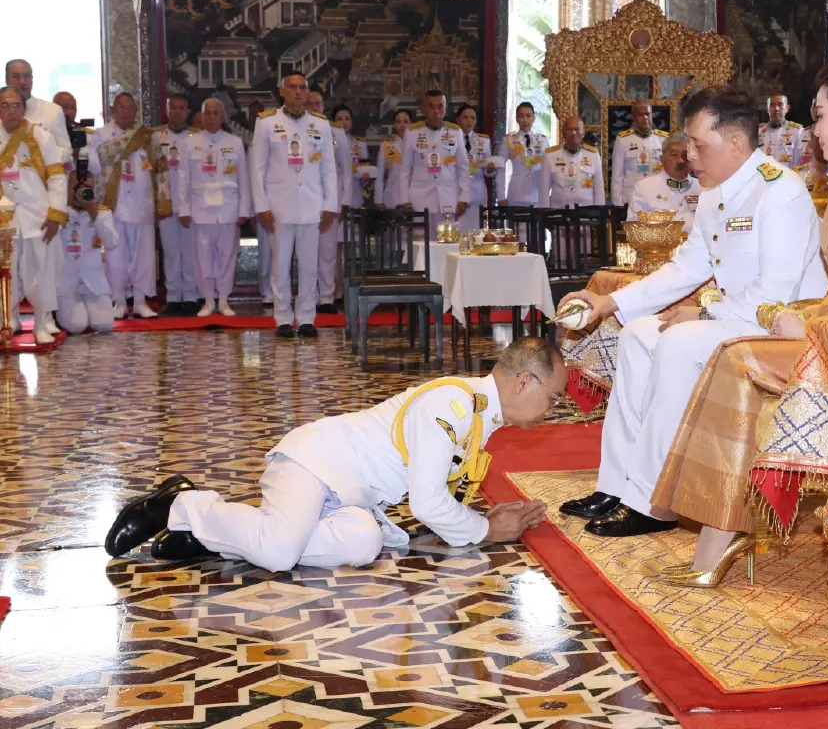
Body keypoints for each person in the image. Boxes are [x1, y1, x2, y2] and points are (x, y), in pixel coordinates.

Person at [650, 54, 828, 586]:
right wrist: (799, 313)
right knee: (732, 355)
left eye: (819, 114)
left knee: (737, 361)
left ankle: (722, 536)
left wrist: (812, 325)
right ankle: (718, 531)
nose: (813, 129)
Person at [556, 85, 828, 537]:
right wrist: (608, 302)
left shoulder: (779, 192)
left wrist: (703, 315)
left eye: (700, 145)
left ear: (736, 143)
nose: (689, 156)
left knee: (678, 341)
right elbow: (686, 267)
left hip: (781, 326)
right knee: (639, 333)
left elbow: (772, 294)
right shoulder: (714, 193)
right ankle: (619, 484)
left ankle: (653, 502)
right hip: (735, 319)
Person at [102, 337, 566, 568]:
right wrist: (487, 529)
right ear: (525, 381)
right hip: (316, 464)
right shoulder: (453, 402)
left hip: (354, 498)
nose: (554, 409)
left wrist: (485, 518)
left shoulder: (479, 416)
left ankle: (208, 536)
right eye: (554, 397)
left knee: (365, 545)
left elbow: (439, 492)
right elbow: (427, 503)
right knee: (281, 553)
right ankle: (179, 503)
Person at [250, 74, 339, 338]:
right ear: (282, 91)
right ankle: (283, 318)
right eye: (293, 87)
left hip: (312, 204)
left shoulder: (320, 124)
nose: (298, 92)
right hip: (279, 206)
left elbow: (329, 168)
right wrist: (261, 205)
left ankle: (308, 317)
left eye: (302, 88)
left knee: (309, 265)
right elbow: (257, 167)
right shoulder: (267, 123)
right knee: (280, 265)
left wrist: (330, 204)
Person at [89, 92, 172, 319]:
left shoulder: (148, 136)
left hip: (142, 205)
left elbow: (161, 170)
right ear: (112, 109)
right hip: (114, 206)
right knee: (116, 255)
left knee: (143, 256)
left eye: (130, 107)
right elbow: (94, 166)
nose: (126, 111)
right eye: (121, 107)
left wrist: (162, 204)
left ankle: (140, 301)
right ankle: (118, 302)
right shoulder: (101, 135)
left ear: (136, 110)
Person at [0, 87, 67, 344]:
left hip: (38, 218)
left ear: (24, 108)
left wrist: (55, 215)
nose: (11, 111)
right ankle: (9, 320)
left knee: (41, 274)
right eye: (5, 106)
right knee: (7, 274)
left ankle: (41, 323)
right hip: (5, 222)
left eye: (16, 105)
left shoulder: (41, 136)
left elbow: (58, 179)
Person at [179, 98, 251, 317]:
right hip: (201, 208)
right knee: (203, 257)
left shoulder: (235, 142)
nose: (211, 118)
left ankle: (224, 299)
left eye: (215, 113)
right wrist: (184, 209)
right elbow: (183, 177)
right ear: (202, 116)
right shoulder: (190, 142)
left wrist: (244, 209)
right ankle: (208, 300)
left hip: (228, 207)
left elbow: (244, 178)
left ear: (223, 116)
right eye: (207, 113)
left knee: (227, 255)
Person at [57, 170, 120, 335]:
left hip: (94, 283)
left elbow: (112, 242)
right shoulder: (58, 213)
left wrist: (93, 213)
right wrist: (62, 205)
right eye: (77, 187)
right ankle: (60, 312)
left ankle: (87, 311)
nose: (82, 192)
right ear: (68, 188)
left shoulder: (102, 213)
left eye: (88, 188)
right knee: (77, 326)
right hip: (67, 283)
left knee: (104, 325)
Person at [395, 90, 469, 220]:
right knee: (420, 240)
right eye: (431, 106)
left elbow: (463, 168)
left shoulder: (455, 132)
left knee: (447, 239)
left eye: (440, 106)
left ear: (446, 109)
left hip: (448, 198)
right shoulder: (412, 132)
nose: (436, 111)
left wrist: (464, 197)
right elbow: (404, 170)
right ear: (424, 109)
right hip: (419, 199)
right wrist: (404, 200)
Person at [157, 94, 201, 315]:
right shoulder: (156, 137)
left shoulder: (197, 137)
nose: (176, 112)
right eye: (172, 108)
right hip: (166, 203)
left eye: (181, 108)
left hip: (191, 204)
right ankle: (173, 296)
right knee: (171, 251)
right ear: (167, 110)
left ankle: (191, 296)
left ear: (188, 111)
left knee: (190, 251)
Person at [308, 90, 350, 315]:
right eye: (310, 103)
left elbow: (346, 172)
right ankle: (309, 296)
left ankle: (326, 297)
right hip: (305, 200)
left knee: (327, 251)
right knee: (307, 251)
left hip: (330, 201)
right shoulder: (300, 130)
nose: (314, 106)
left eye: (318, 103)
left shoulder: (336, 131)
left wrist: (342, 201)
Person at [628, 131, 701, 233]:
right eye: (674, 155)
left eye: (685, 155)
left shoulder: (702, 189)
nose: (680, 160)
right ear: (662, 159)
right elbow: (634, 228)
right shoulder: (645, 188)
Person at [5, 60, 71, 164]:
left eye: (27, 76)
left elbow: (66, 150)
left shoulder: (52, 110)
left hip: (44, 177)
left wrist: (40, 160)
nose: (22, 81)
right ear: (7, 79)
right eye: (16, 77)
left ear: (32, 79)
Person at [610, 101, 667, 207]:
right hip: (632, 198)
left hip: (657, 197)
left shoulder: (663, 139)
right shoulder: (623, 140)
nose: (645, 117)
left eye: (647, 114)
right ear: (634, 118)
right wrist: (617, 205)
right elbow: (617, 176)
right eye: (640, 115)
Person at [540, 117, 604, 207]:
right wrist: (544, 216)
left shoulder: (593, 155)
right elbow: (543, 190)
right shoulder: (550, 155)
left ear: (583, 133)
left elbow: (599, 191)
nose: (573, 133)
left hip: (586, 214)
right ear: (563, 133)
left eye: (577, 129)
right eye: (569, 129)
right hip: (559, 213)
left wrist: (599, 216)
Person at [496, 101, 547, 207]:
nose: (525, 120)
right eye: (521, 116)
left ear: (533, 119)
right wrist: (501, 197)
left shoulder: (542, 140)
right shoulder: (508, 140)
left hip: (537, 194)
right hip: (516, 194)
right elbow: (500, 169)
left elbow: (548, 169)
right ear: (516, 119)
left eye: (528, 116)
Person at [457, 104, 492, 231]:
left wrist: (490, 169)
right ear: (458, 120)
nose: (469, 121)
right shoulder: (451, 139)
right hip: (458, 191)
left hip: (477, 191)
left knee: (476, 231)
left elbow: (488, 171)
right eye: (465, 117)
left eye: (472, 118)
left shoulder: (483, 141)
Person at [377, 109, 412, 208]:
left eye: (405, 121)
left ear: (411, 124)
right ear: (394, 125)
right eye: (398, 122)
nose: (402, 125)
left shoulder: (418, 145)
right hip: (392, 194)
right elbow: (380, 175)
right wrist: (379, 199)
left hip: (413, 194)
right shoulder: (386, 145)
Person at [757, 94, 803, 167]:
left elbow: (800, 161)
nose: (776, 108)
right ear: (767, 109)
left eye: (780, 105)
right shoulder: (758, 131)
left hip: (788, 176)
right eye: (772, 105)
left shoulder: (797, 131)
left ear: (787, 108)